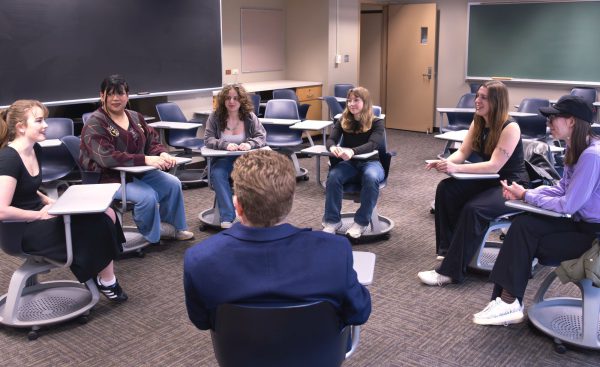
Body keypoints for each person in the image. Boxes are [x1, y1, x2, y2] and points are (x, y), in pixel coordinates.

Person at [184, 150, 371, 331]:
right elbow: (359, 313)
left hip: (239, 355)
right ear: (291, 201)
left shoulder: (199, 258)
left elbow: (202, 321)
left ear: (237, 206)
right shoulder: (335, 251)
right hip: (318, 355)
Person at [473, 95, 600, 325]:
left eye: (553, 118)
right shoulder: (577, 147)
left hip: (594, 238)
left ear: (571, 121)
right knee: (523, 224)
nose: (549, 123)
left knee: (525, 239)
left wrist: (527, 195)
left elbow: (568, 204)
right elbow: (562, 188)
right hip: (580, 224)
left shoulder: (591, 156)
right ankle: (507, 302)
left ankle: (509, 302)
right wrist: (529, 193)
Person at [0, 100, 128, 301]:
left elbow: (27, 189)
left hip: (38, 217)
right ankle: (107, 280)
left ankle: (101, 274)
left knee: (107, 212)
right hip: (20, 229)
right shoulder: (8, 159)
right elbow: (1, 210)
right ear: (21, 127)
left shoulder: (36, 150)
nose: (46, 125)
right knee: (98, 222)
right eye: (39, 121)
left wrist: (48, 202)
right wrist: (39, 214)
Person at [418, 80, 528, 286]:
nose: (477, 101)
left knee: (474, 209)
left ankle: (450, 272)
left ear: (497, 101)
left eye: (484, 97)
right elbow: (462, 152)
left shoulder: (510, 127)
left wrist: (456, 168)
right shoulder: (478, 121)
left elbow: (494, 166)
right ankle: (449, 251)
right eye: (478, 96)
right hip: (486, 179)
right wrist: (445, 163)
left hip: (509, 185)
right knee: (446, 189)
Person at [80, 75, 193, 244]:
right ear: (101, 95)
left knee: (173, 183)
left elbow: (152, 141)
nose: (116, 98)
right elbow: (107, 158)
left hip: (137, 173)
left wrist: (161, 153)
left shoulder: (135, 117)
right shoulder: (95, 123)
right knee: (147, 196)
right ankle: (152, 235)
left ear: (127, 95)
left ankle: (172, 228)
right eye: (110, 94)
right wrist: (145, 159)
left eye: (120, 93)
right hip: (107, 178)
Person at [322, 86, 386, 239]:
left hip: (371, 163)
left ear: (365, 102)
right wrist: (332, 148)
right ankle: (332, 221)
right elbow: (331, 139)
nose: (351, 104)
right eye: (349, 101)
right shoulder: (342, 120)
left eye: (356, 100)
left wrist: (352, 151)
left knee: (371, 177)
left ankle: (361, 222)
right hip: (349, 164)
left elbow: (373, 144)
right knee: (334, 176)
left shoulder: (377, 122)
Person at [203, 84, 267, 228]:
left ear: (242, 100)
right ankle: (227, 217)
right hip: (223, 159)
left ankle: (256, 216)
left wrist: (250, 144)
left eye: (236, 98)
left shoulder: (250, 117)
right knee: (218, 174)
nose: (231, 102)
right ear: (223, 100)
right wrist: (224, 145)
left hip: (246, 160)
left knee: (256, 176)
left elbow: (261, 136)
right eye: (228, 98)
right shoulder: (215, 117)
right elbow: (208, 139)